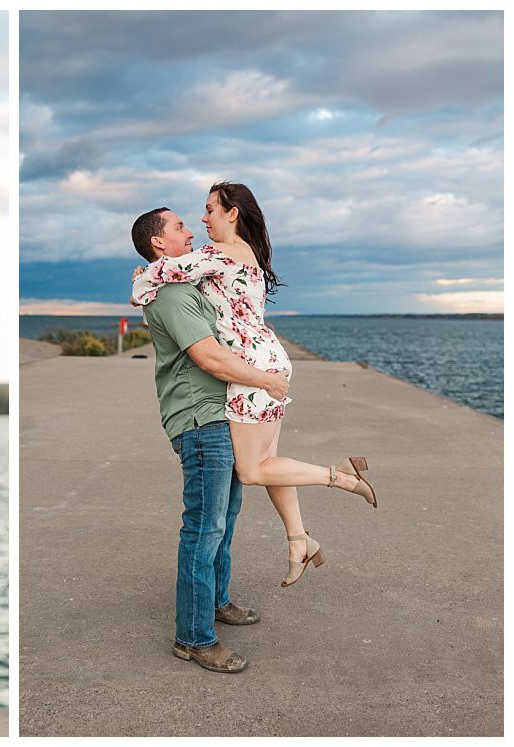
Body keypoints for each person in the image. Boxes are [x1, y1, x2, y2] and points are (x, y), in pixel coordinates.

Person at [132, 185, 377, 594]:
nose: (202, 221)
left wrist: (140, 277)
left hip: (252, 367)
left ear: (232, 214)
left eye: (209, 210)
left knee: (250, 469)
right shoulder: (248, 254)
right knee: (269, 460)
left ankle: (341, 476)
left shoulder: (215, 255)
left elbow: (152, 280)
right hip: (267, 356)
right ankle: (299, 539)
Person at [131, 207, 293, 673]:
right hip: (200, 421)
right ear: (159, 243)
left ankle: (217, 602)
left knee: (225, 519)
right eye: (179, 226)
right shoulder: (171, 298)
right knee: (204, 529)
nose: (190, 230)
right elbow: (210, 358)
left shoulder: (185, 283)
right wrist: (267, 380)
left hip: (223, 416)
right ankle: (194, 638)